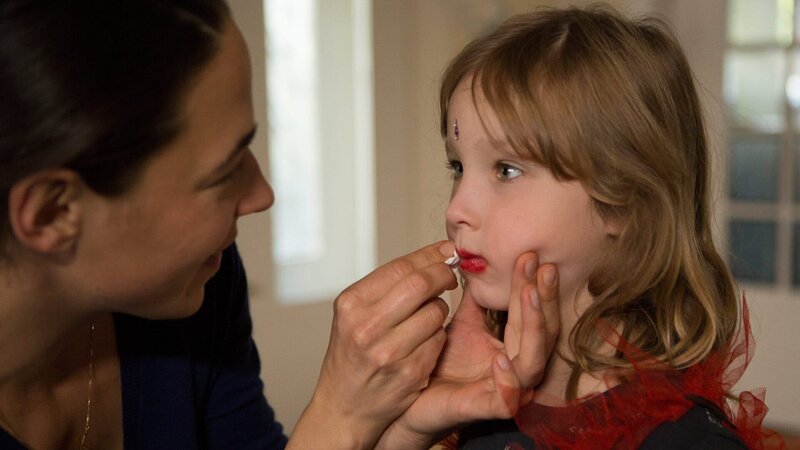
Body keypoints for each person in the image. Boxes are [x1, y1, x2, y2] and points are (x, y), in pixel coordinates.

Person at [0, 1, 562, 449]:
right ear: (53, 213)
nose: (262, 195)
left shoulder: (196, 284)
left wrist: (398, 431)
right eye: (222, 172)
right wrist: (337, 417)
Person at [397, 5, 786, 449]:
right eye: (458, 167)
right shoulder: (470, 398)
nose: (457, 209)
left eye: (506, 170)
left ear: (623, 202)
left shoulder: (686, 440)